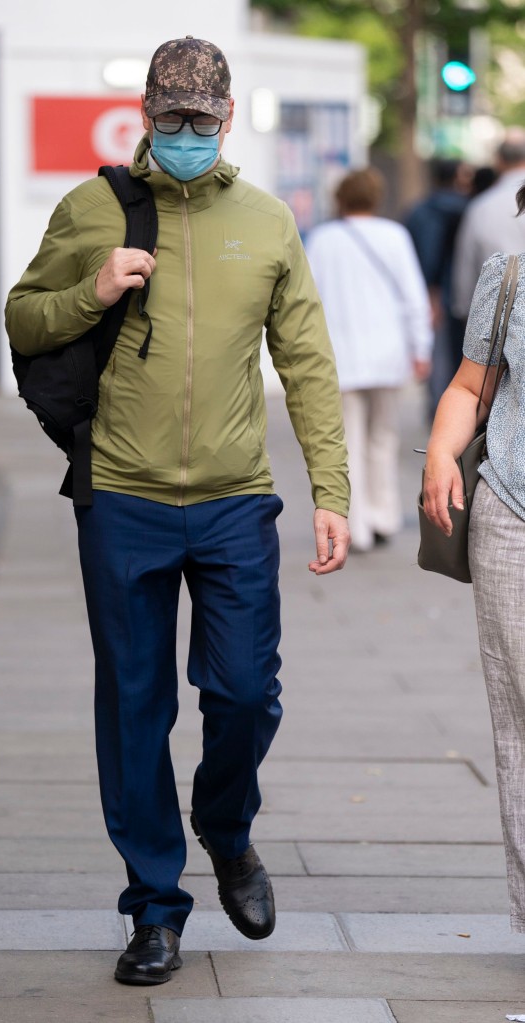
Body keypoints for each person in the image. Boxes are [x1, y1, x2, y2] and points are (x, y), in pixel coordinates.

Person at [5, 37, 350, 985]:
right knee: (134, 706)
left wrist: (332, 491)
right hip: (123, 496)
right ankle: (154, 908)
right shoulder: (95, 208)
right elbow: (24, 318)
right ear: (147, 114)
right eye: (172, 118)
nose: (188, 133)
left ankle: (228, 828)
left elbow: (308, 365)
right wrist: (93, 286)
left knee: (243, 691)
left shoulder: (270, 222)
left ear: (229, 116)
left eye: (204, 118)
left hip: (237, 499)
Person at [422, 180, 525, 933]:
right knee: (519, 719)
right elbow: (470, 386)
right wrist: (438, 452)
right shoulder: (511, 271)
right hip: (513, 515)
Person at [305, 168, 432, 553]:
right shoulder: (395, 235)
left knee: (347, 443)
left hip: (340, 355)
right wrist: (421, 348)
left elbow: (308, 299)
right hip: (388, 354)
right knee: (383, 437)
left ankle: (355, 525)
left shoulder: (323, 240)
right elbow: (414, 296)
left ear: (341, 197)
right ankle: (385, 515)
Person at [405, 159, 469, 417]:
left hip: (426, 289)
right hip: (464, 289)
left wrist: (427, 289)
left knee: (434, 350)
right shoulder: (468, 208)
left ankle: (437, 408)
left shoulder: (417, 211)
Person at [452, 129, 525, 319]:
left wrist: (464, 309)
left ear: (498, 162)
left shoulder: (481, 207)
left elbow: (466, 266)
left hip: (497, 320)